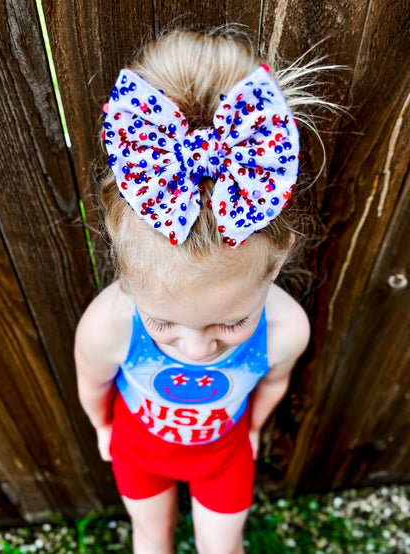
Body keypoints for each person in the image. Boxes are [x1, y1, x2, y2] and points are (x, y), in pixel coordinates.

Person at [75, 28, 327, 554]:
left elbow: (273, 383)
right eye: (162, 324)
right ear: (125, 271)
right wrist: (103, 429)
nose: (196, 349)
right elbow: (94, 384)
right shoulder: (109, 325)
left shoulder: (287, 330)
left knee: (224, 547)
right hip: (138, 452)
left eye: (231, 322)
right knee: (151, 539)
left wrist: (254, 427)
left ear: (277, 262)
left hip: (225, 456)